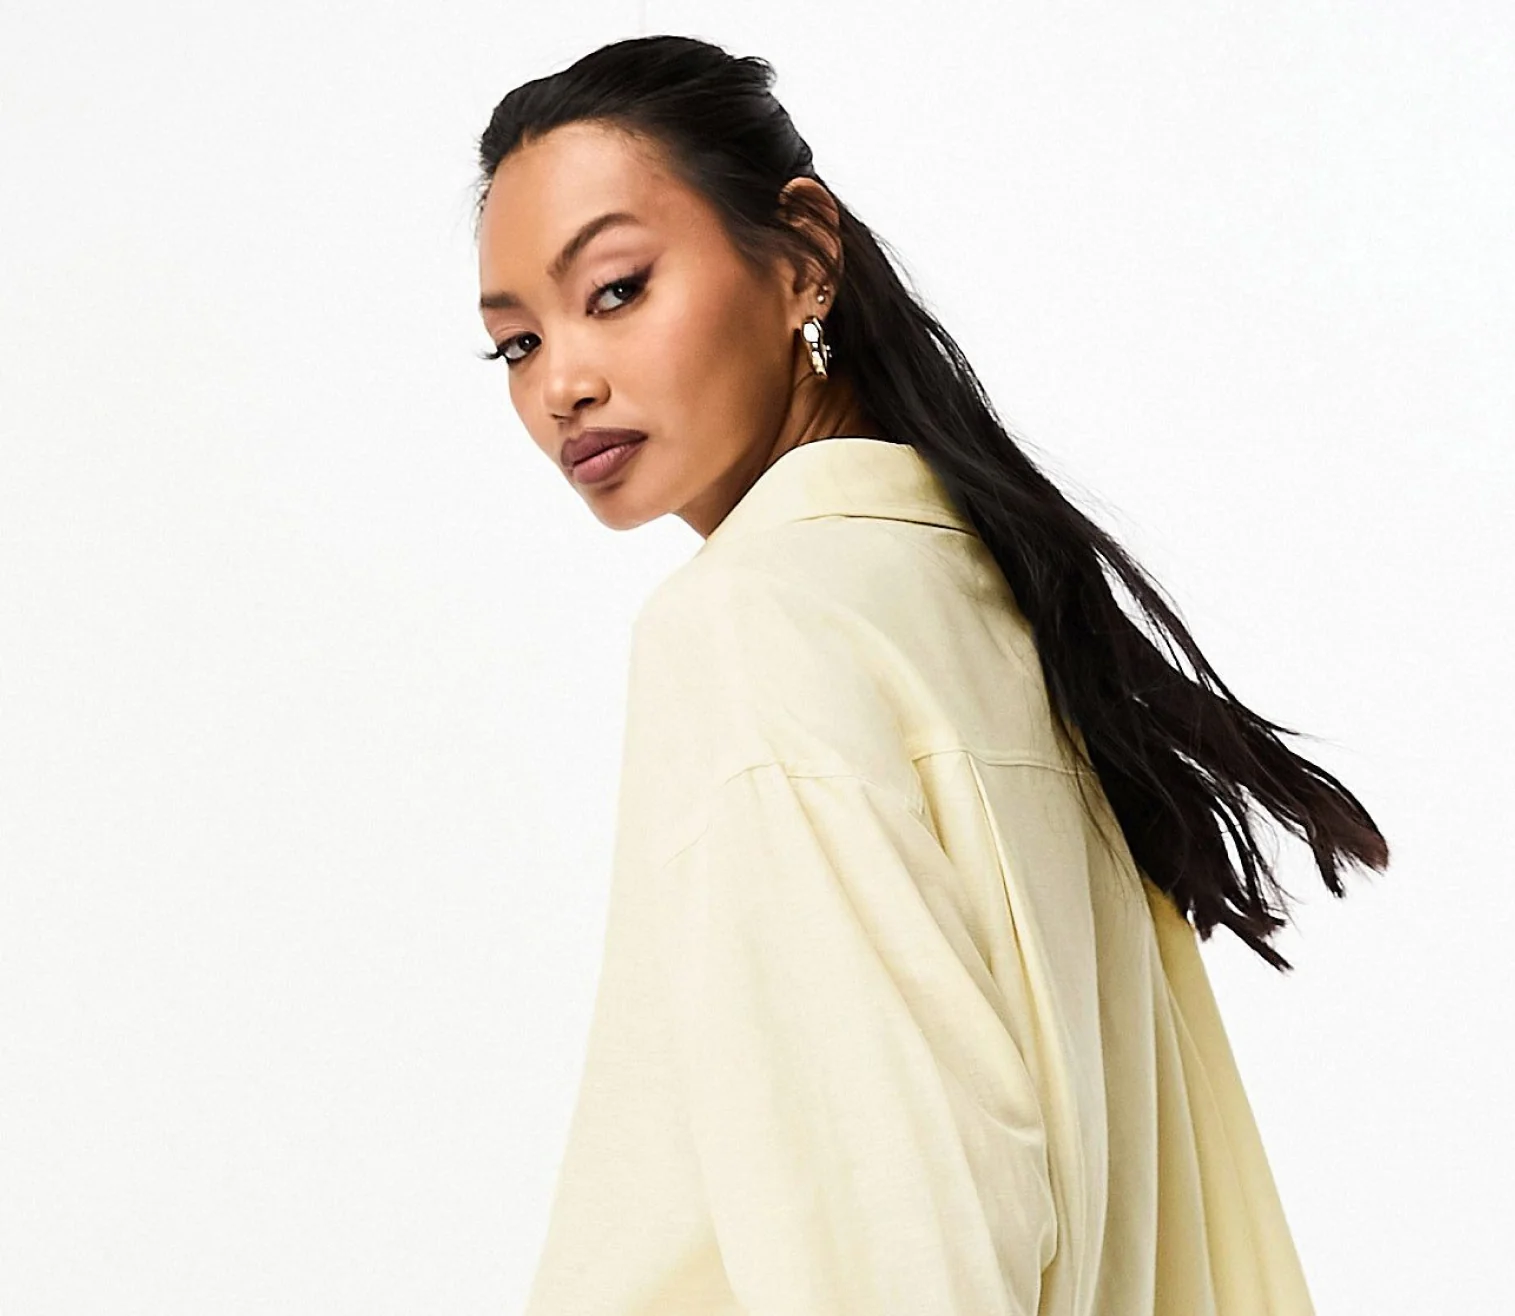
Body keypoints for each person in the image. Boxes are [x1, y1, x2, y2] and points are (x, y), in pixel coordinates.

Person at [472, 34, 1388, 1316]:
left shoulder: (753, 623)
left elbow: (905, 1232)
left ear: (803, 256)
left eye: (616, 289)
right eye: (514, 344)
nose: (563, 382)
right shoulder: (993, 611)